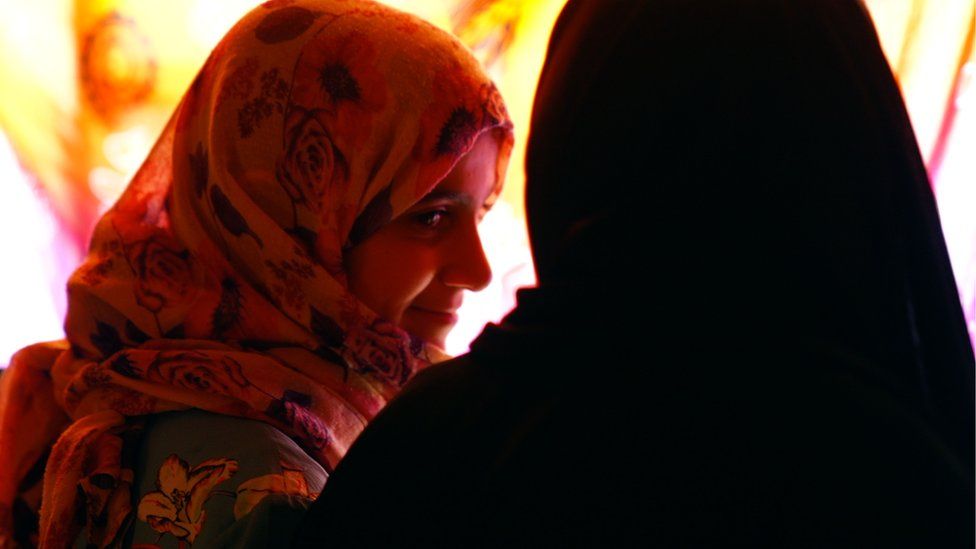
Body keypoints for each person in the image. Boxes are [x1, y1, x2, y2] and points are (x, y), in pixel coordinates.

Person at [293, 0, 974, 546]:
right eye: (429, 214)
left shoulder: (437, 449)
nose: (476, 270)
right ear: (852, 151)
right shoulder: (902, 478)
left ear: (578, 137)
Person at [0, 0, 513, 546]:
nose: (478, 271)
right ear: (286, 216)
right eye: (429, 217)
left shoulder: (80, 382)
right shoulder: (271, 494)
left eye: (481, 213)